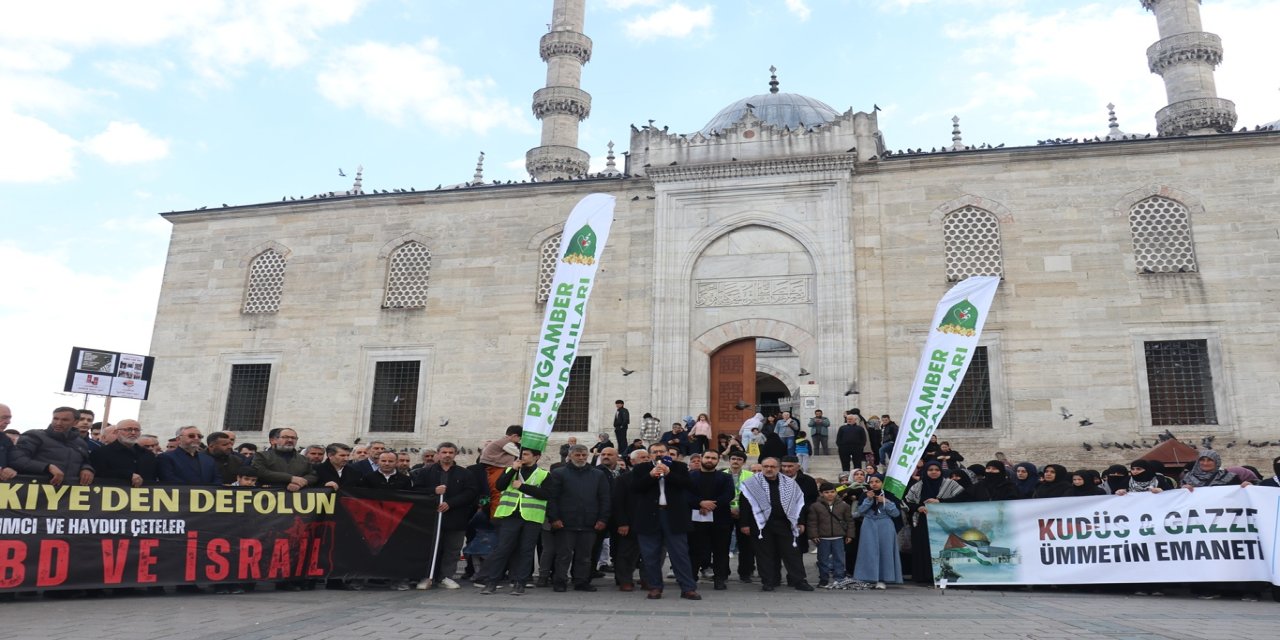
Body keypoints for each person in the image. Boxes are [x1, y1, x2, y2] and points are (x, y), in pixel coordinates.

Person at [630, 443, 701, 600]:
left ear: (668, 453)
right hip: (649, 517)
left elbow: (688, 485)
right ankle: (655, 586)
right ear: (650, 455)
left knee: (680, 554)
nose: (658, 454)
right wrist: (650, 476)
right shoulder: (641, 469)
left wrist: (669, 474)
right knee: (650, 555)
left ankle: (688, 588)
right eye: (655, 452)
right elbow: (635, 488)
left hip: (674, 516)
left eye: (661, 451)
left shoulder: (679, 467)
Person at [481, 448, 550, 596]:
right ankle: (492, 581)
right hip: (510, 515)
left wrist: (523, 487)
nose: (522, 457)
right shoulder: (510, 470)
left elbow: (546, 494)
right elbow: (499, 486)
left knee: (526, 551)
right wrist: (513, 470)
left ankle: (520, 583)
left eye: (525, 454)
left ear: (536, 457)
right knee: (503, 549)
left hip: (531, 517)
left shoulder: (544, 474)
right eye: (521, 454)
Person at [411, 442, 480, 590]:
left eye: (450, 452)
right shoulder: (425, 472)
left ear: (455, 454)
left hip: (456, 518)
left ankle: (446, 576)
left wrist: (451, 503)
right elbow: (417, 490)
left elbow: (471, 493)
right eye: (444, 452)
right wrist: (433, 491)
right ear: (438, 453)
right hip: (432, 518)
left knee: (453, 549)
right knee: (431, 549)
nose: (447, 455)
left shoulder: (465, 473)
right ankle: (428, 576)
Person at [738, 457, 813, 592]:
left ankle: (799, 581)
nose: (769, 469)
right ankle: (768, 581)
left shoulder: (790, 484)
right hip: (761, 525)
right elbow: (744, 505)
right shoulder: (751, 483)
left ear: (778, 468)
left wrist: (800, 522)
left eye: (772, 467)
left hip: (785, 523)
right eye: (766, 466)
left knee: (792, 553)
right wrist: (744, 524)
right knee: (765, 554)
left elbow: (798, 504)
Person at [544, 444, 610, 592]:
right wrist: (554, 518)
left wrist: (602, 519)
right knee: (563, 555)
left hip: (589, 522)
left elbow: (604, 498)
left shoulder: (598, 475)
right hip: (566, 522)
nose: (581, 458)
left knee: (585, 555)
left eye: (584, 455)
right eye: (577, 455)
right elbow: (552, 498)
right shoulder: (559, 473)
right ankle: (560, 580)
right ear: (570, 456)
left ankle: (581, 581)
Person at [903, 461, 964, 585]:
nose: (934, 472)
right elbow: (907, 502)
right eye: (930, 470)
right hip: (923, 522)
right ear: (925, 471)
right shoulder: (917, 486)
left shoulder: (951, 484)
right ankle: (924, 576)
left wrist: (940, 501)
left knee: (943, 548)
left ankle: (945, 575)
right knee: (924, 548)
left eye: (937, 469)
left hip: (945, 523)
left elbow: (962, 499)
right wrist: (918, 508)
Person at [9, 406, 95, 486]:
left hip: (67, 495)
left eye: (65, 420)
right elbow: (16, 459)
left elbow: (85, 461)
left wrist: (87, 469)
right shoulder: (34, 436)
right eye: (55, 418)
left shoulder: (80, 443)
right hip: (32, 490)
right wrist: (47, 467)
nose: (58, 423)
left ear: (75, 422)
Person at [687, 450, 735, 590]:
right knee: (694, 550)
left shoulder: (725, 477)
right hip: (696, 518)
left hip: (720, 519)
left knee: (720, 551)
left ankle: (720, 579)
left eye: (713, 458)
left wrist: (710, 505)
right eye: (707, 457)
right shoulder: (690, 476)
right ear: (701, 458)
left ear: (718, 460)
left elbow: (729, 495)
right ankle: (691, 578)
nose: (710, 460)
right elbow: (685, 494)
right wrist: (700, 503)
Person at [854, 475, 902, 589]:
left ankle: (883, 578)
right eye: (871, 482)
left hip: (885, 524)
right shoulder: (864, 495)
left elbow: (896, 514)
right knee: (868, 551)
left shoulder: (889, 495)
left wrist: (886, 501)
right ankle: (867, 577)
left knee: (885, 551)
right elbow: (859, 511)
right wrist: (868, 500)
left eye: (877, 481)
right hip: (868, 524)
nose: (874, 484)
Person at [611, 448, 649, 591]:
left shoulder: (655, 477)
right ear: (632, 461)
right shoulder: (623, 479)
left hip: (649, 523)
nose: (645, 459)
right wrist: (622, 523)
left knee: (649, 554)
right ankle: (625, 580)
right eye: (642, 457)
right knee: (626, 554)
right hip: (630, 522)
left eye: (647, 457)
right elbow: (618, 502)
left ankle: (647, 579)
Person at [807, 482, 855, 588]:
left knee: (839, 559)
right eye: (826, 492)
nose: (830, 494)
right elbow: (812, 522)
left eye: (832, 492)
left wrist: (849, 535)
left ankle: (839, 578)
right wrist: (814, 535)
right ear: (821, 493)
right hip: (822, 537)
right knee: (822, 560)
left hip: (838, 537)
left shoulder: (843, 505)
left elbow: (849, 521)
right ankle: (823, 579)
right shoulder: (815, 506)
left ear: (836, 493)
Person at [722, 449, 757, 584]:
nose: (736, 462)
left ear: (744, 462)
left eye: (739, 459)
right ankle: (723, 572)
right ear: (729, 460)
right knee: (723, 544)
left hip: (745, 513)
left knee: (746, 546)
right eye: (733, 459)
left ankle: (745, 573)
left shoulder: (750, 475)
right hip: (725, 511)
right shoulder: (722, 474)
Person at [89, 419, 156, 487]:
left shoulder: (148, 455)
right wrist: (127, 475)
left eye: (136, 430)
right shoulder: (101, 453)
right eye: (128, 429)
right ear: (116, 432)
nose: (133, 433)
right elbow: (99, 474)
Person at [252, 427, 318, 491]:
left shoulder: (304, 459)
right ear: (276, 440)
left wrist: (300, 482)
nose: (290, 440)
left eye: (293, 438)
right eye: (285, 437)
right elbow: (260, 472)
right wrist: (290, 478)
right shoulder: (262, 455)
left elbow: (313, 475)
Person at [479, 425, 523, 516]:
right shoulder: (506, 442)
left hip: (496, 468)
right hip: (497, 469)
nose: (520, 441)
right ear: (514, 436)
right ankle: (496, 517)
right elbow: (520, 454)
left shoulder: (500, 442)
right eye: (520, 438)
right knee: (498, 494)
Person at [1181, 449, 1248, 490]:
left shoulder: (1230, 477)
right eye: (1202, 460)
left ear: (1217, 462)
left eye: (1210, 460)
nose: (1205, 463)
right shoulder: (1187, 478)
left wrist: (1248, 486)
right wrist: (1182, 490)